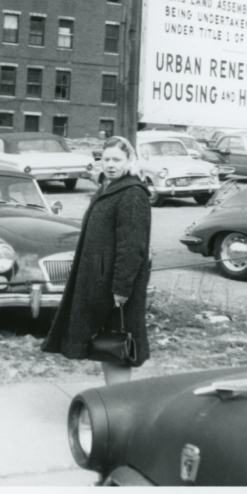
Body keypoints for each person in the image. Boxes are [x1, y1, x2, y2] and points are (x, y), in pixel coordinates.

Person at [41, 136, 152, 385]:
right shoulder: (109, 189)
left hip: (116, 288)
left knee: (119, 348)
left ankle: (119, 407)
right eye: (106, 159)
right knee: (107, 345)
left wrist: (121, 289)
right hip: (101, 284)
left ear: (130, 161)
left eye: (117, 159)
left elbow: (132, 247)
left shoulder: (132, 194)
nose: (111, 164)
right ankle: (115, 403)